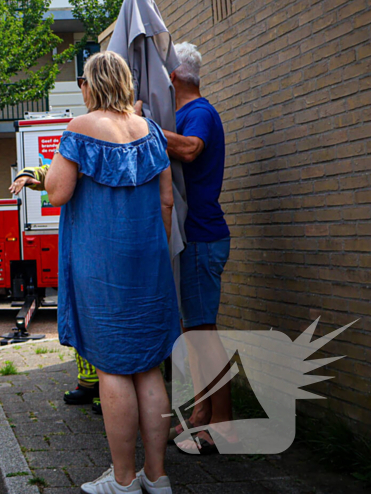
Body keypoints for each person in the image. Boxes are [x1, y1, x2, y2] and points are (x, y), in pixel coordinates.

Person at [46, 52, 178, 494]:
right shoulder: (150, 131)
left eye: (82, 82)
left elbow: (59, 193)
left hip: (104, 266)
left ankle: (123, 480)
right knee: (150, 369)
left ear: (91, 85)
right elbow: (166, 202)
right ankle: (157, 477)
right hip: (149, 263)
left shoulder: (79, 129)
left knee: (113, 369)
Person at [136, 42, 232, 454]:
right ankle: (201, 416)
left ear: (172, 77)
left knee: (204, 334)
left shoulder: (199, 113)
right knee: (195, 333)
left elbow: (190, 149)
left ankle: (224, 424)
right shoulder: (189, 113)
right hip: (197, 237)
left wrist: (147, 129)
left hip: (203, 236)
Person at [9, 167, 100, 414]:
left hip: (105, 246)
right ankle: (89, 382)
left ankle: (109, 388)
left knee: (102, 322)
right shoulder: (79, 150)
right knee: (80, 317)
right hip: (81, 244)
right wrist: (27, 176)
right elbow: (52, 171)